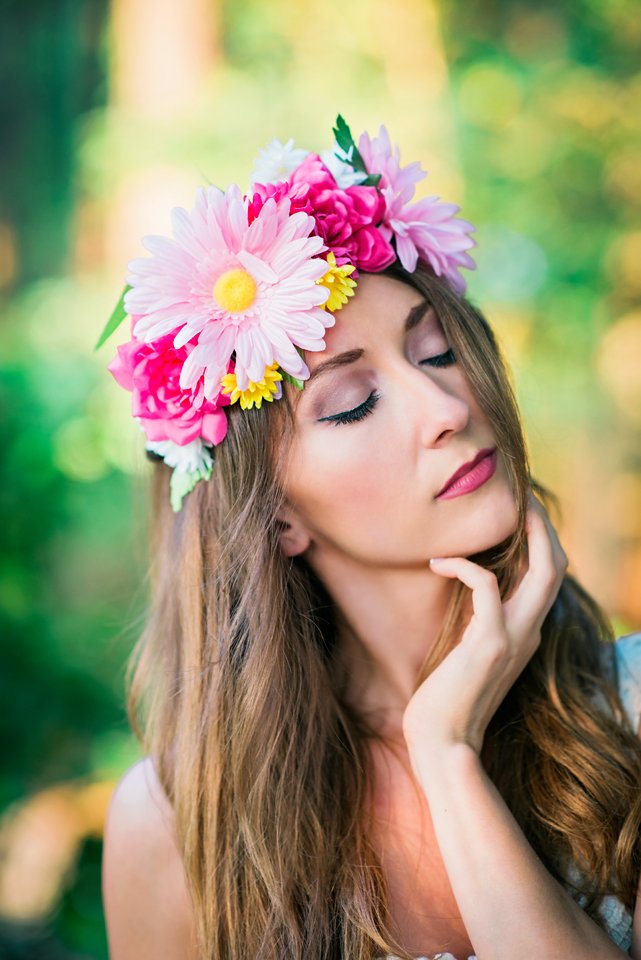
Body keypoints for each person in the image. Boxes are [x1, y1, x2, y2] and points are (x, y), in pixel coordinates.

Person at [100, 116, 641, 960]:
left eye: (435, 353)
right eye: (352, 402)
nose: (448, 410)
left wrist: (448, 757)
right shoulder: (174, 828)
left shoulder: (630, 717)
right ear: (276, 516)